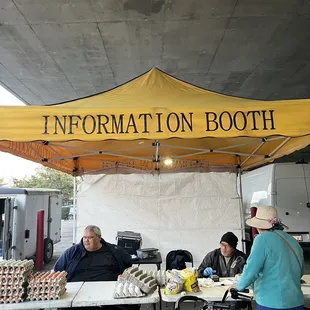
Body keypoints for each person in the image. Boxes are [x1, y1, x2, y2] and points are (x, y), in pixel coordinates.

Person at [236, 206, 304, 310]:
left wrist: (239, 285)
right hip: (296, 301)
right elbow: (300, 272)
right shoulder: (292, 240)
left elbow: (251, 270)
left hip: (271, 303)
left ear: (258, 227)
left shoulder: (262, 239)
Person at [54, 225, 132, 282]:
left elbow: (129, 265)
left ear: (99, 238)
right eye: (84, 237)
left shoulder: (114, 250)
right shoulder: (72, 252)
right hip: (78, 290)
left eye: (90, 237)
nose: (86, 240)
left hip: (108, 288)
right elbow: (56, 271)